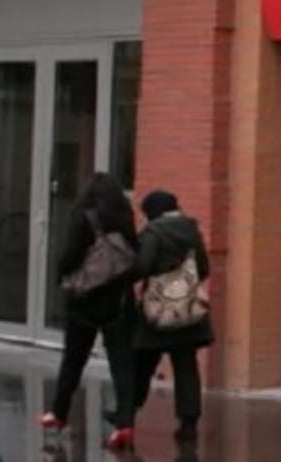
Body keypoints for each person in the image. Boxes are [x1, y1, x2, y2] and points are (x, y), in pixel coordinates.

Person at [40, 173, 138, 450]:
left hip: (84, 301)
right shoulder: (124, 219)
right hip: (118, 301)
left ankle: (58, 413)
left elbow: (71, 255)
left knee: (73, 360)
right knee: (122, 364)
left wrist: (62, 276)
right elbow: (134, 255)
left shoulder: (83, 218)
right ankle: (125, 424)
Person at [132, 190, 213, 443]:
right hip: (187, 308)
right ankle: (189, 422)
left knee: (143, 361)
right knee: (186, 365)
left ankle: (127, 411)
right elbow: (204, 268)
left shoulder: (153, 232)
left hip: (158, 308)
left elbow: (143, 266)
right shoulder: (192, 230)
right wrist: (182, 282)